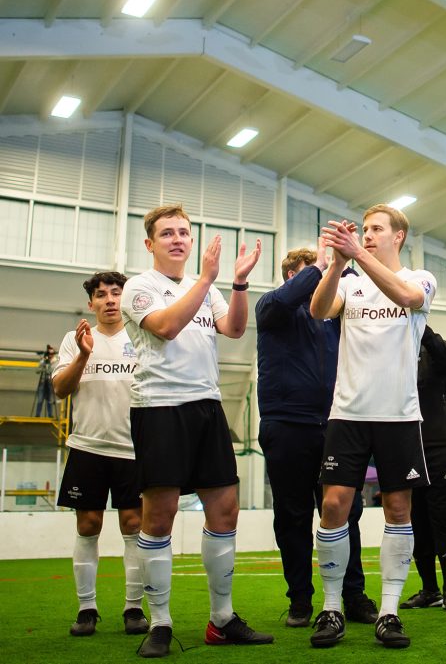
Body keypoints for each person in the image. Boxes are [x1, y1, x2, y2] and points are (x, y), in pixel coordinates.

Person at [121, 204, 271, 657]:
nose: (178, 239)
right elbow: (165, 328)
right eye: (167, 233)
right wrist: (207, 279)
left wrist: (239, 283)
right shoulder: (139, 288)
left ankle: (221, 619)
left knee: (225, 512)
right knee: (158, 518)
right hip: (160, 409)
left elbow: (236, 327)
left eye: (184, 232)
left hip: (207, 408)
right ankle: (161, 623)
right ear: (150, 244)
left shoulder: (204, 288)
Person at [309, 205, 436, 649]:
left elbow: (406, 298)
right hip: (348, 414)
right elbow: (319, 309)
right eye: (364, 230)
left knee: (398, 511)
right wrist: (338, 263)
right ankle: (330, 608)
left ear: (398, 236)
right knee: (333, 505)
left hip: (399, 416)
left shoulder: (420, 279)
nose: (367, 234)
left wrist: (356, 256)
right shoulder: (350, 282)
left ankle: (389, 611)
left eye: (376, 229)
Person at [255, 242, 377, 629]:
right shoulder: (272, 308)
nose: (323, 279)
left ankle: (352, 594)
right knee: (291, 516)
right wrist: (323, 264)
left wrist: (345, 267)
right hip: (286, 426)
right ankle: (301, 600)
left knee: (345, 512)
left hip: (336, 425)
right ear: (294, 276)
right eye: (313, 273)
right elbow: (280, 303)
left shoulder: (334, 316)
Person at [53, 272, 147, 638]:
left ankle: (133, 609)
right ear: (91, 303)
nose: (109, 299)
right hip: (86, 448)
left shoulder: (141, 337)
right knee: (88, 525)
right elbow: (60, 390)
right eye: (101, 294)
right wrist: (83, 354)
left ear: (124, 299)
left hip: (133, 451)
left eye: (115, 293)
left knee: (134, 527)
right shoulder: (73, 340)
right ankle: (86, 609)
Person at [400, 326, 446, 612]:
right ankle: (429, 589)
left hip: (440, 447)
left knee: (443, 521)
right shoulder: (395, 352)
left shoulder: (434, 350)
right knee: (417, 523)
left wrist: (419, 321)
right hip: (407, 448)